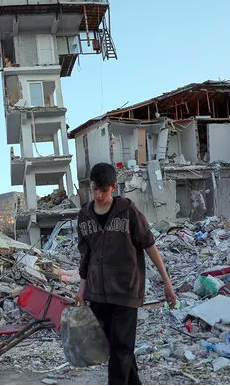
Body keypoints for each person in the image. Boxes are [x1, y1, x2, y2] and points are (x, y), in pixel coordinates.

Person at [76, 162, 177, 385]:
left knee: (121, 349)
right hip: (98, 294)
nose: (99, 195)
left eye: (104, 190)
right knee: (116, 347)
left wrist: (167, 283)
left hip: (126, 291)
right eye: (94, 190)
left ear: (113, 187)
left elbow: (150, 246)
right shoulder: (84, 216)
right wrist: (82, 290)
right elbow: (86, 256)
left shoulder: (128, 212)